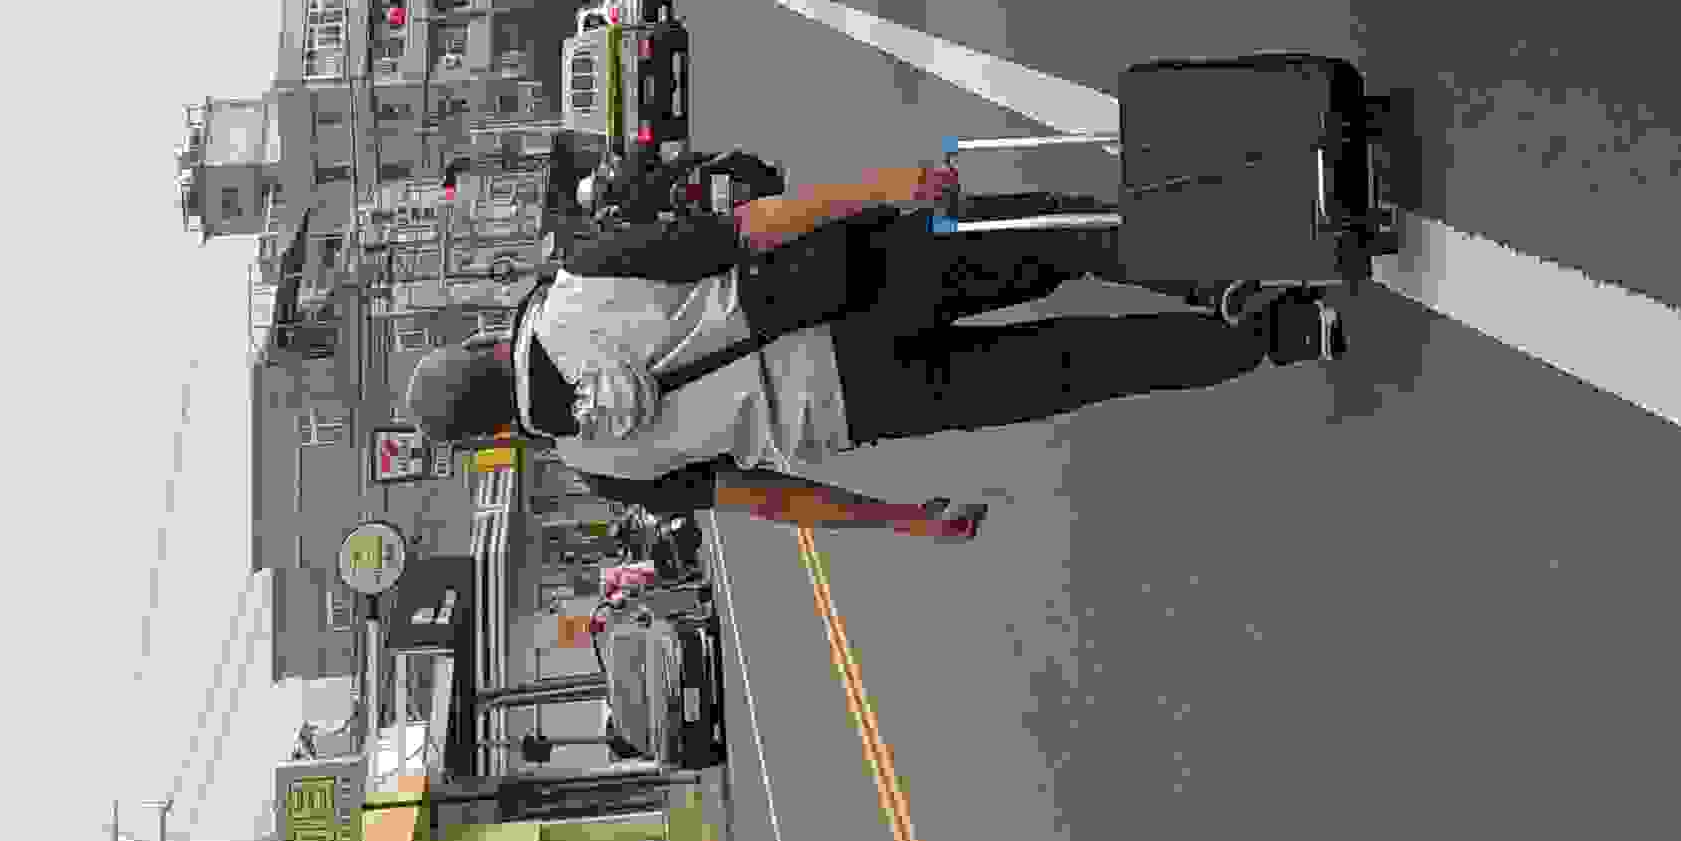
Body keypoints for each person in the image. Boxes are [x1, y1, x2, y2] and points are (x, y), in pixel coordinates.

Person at [406, 152, 1340, 543]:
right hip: (855, 280)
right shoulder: (579, 281)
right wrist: (885, 184)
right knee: (1050, 237)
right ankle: (1216, 272)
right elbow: (749, 229)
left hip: (856, 403)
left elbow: (763, 496)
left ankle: (1277, 334)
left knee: (1077, 369)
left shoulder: (601, 468)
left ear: (497, 434)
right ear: (486, 345)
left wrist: (901, 519)